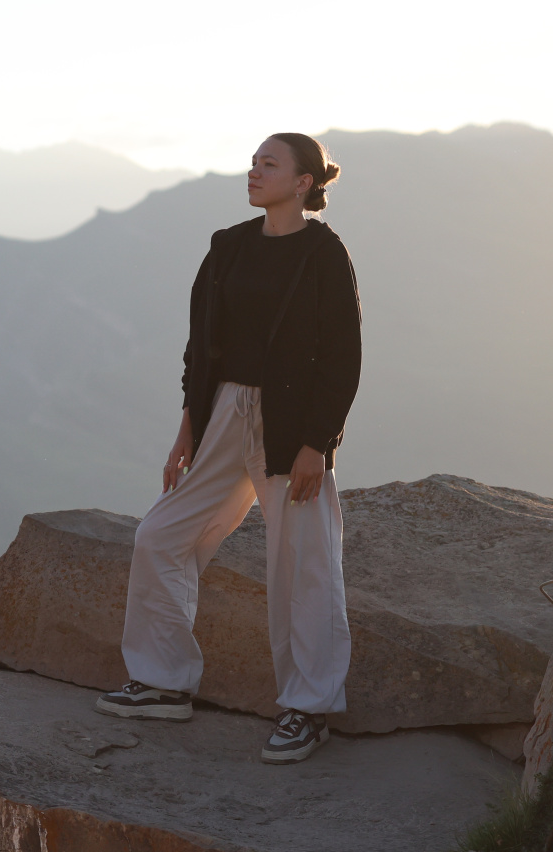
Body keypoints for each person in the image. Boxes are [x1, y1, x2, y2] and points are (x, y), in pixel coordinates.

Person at [94, 133, 362, 765]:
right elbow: (201, 346)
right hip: (222, 415)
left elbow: (343, 356)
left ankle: (309, 707)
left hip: (291, 422)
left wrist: (316, 444)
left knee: (303, 561)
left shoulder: (323, 254)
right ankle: (164, 681)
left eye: (269, 164)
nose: (253, 171)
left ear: (303, 182)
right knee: (160, 535)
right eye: (253, 161)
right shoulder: (227, 247)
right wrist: (188, 429)